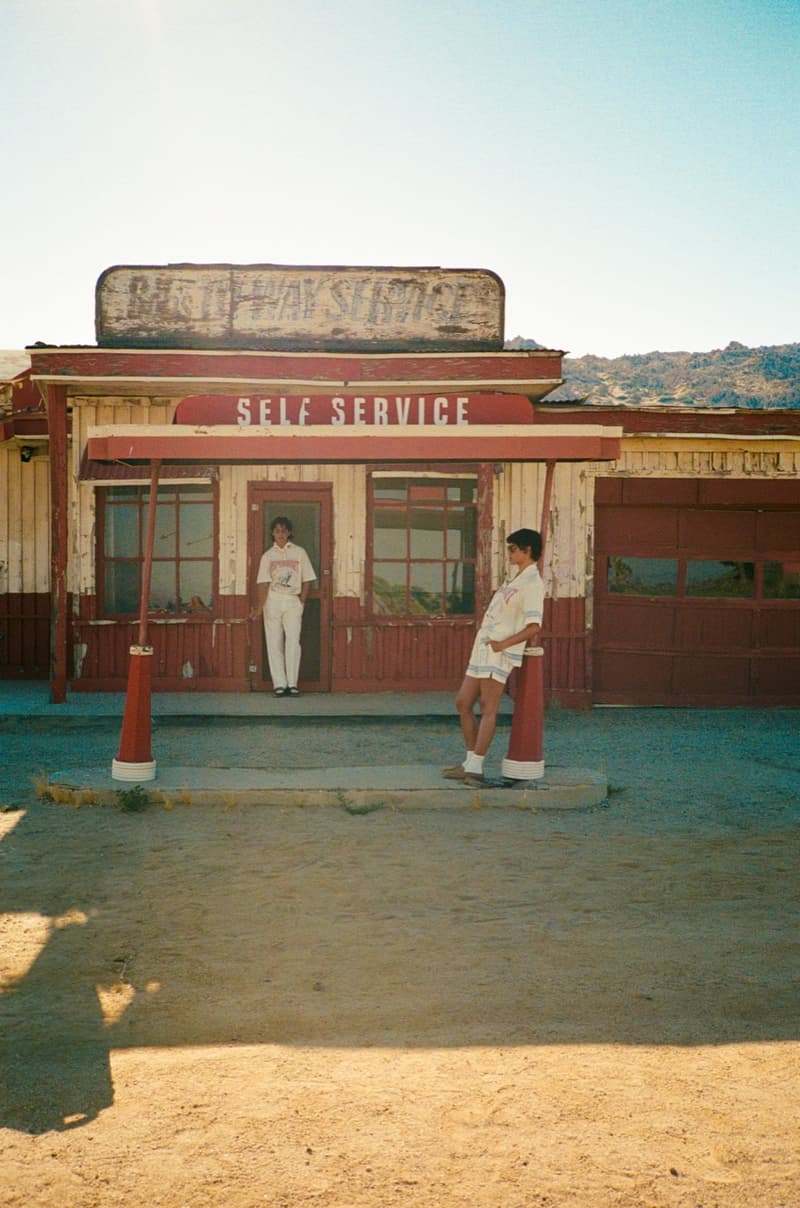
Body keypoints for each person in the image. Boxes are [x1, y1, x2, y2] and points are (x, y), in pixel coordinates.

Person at [443, 527, 545, 785]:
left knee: (488, 707)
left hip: (499, 653)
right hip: (483, 649)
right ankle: (469, 760)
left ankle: (476, 766)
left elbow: (534, 625)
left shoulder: (533, 583)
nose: (509, 553)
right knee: (463, 701)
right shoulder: (514, 580)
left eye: (513, 549)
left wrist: (504, 644)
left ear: (527, 550)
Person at [250, 516, 316, 697]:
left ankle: (292, 684)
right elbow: (263, 584)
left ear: (289, 533)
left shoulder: (299, 553)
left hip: (292, 600)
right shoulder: (268, 556)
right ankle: (279, 683)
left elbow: (308, 579)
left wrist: (301, 599)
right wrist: (259, 607)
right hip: (273, 600)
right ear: (272, 533)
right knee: (274, 642)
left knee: (293, 641)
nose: (281, 534)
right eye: (277, 530)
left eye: (284, 530)